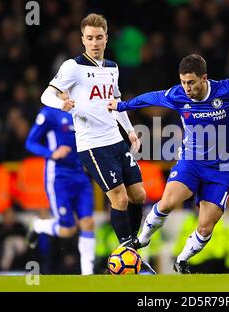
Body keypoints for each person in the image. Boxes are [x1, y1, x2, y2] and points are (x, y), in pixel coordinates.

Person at [107, 54, 229, 273]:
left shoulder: (226, 90)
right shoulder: (177, 94)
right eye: (183, 82)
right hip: (191, 163)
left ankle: (182, 261)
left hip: (221, 170)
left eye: (191, 82)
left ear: (204, 78)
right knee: (167, 202)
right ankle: (141, 240)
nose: (186, 87)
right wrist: (122, 105)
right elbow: (150, 98)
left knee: (205, 226)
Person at [39, 13, 154, 274]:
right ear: (82, 39)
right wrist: (63, 104)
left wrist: (129, 131)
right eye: (89, 38)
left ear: (106, 38)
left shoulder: (112, 67)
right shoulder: (72, 67)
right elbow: (46, 94)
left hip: (116, 141)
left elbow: (116, 101)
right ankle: (128, 253)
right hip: (92, 145)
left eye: (99, 37)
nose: (94, 42)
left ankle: (130, 247)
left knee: (140, 195)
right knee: (120, 198)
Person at [25, 100, 95, 275]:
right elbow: (30, 142)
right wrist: (51, 153)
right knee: (67, 230)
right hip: (58, 176)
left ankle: (88, 275)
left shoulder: (81, 110)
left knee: (88, 222)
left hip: (80, 174)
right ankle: (38, 225)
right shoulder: (49, 113)